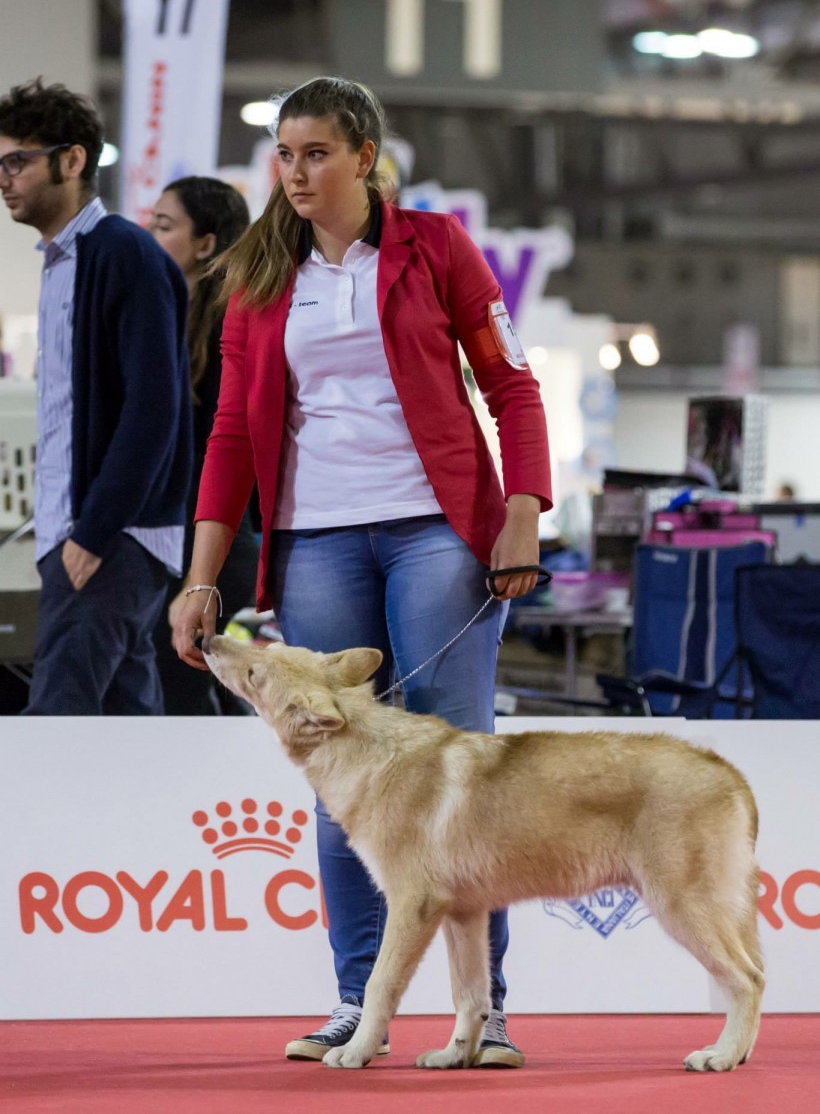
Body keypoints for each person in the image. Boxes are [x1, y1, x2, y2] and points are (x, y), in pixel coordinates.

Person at [173, 76, 552, 1065]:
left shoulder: (436, 246)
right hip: (316, 539)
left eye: (314, 153)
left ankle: (485, 1009)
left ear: (364, 155)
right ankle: (357, 1000)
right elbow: (228, 436)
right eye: (283, 154)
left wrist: (522, 511)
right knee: (341, 774)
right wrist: (201, 575)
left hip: (439, 529)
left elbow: (510, 382)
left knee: (457, 773)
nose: (294, 172)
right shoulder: (258, 270)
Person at [0, 78, 191, 715]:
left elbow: (154, 409)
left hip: (109, 537)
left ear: (73, 159)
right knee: (125, 725)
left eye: (18, 161)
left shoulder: (119, 253)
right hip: (81, 535)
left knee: (56, 724)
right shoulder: (62, 262)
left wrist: (95, 533)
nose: (5, 178)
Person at [148, 176, 257, 715]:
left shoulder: (226, 326)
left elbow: (222, 451)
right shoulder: (177, 317)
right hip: (192, 534)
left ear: (206, 243)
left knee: (181, 668)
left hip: (218, 536)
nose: (149, 235)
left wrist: (198, 576)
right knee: (191, 671)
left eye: (164, 226)